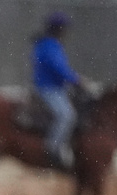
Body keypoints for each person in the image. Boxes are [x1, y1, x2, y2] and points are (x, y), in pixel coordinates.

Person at [32, 11, 81, 170]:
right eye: (64, 28)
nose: (66, 32)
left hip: (55, 88)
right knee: (67, 115)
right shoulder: (49, 46)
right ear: (57, 28)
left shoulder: (50, 44)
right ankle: (52, 148)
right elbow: (58, 68)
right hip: (48, 89)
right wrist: (76, 80)